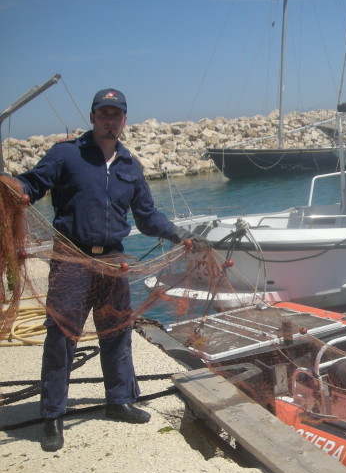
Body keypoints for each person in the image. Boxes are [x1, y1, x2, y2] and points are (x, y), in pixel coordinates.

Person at [0, 88, 204, 452]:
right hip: (71, 258)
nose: (110, 120)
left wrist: (178, 233)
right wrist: (15, 186)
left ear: (124, 120)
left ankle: (119, 400)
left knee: (117, 331)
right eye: (103, 114)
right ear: (93, 117)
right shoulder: (66, 154)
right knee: (61, 337)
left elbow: (147, 215)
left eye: (116, 114)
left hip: (113, 259)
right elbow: (35, 182)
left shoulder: (130, 165)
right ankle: (51, 415)